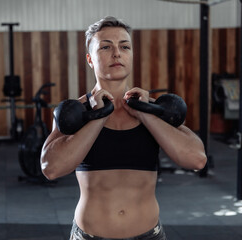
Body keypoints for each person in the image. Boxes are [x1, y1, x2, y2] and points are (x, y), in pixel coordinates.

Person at [40, 16, 207, 240]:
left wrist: (144, 114)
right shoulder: (75, 112)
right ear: (90, 59)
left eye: (124, 47)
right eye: (106, 47)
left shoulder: (154, 110)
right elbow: (51, 168)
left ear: (131, 55)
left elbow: (197, 159)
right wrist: (99, 116)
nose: (117, 53)